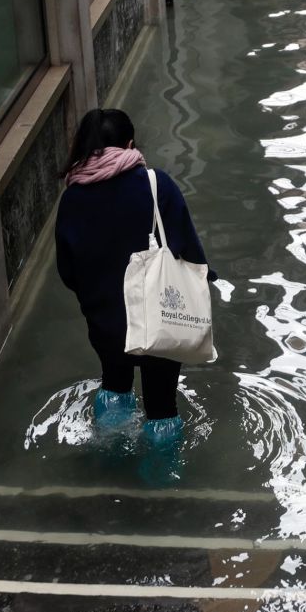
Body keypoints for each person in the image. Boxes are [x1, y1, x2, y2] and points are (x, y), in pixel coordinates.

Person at [55, 109, 212, 460]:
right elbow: (188, 250)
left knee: (114, 383)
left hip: (106, 325)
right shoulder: (157, 185)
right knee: (161, 405)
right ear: (129, 144)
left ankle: (109, 454)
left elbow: (67, 271)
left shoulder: (72, 198)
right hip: (160, 318)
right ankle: (159, 482)